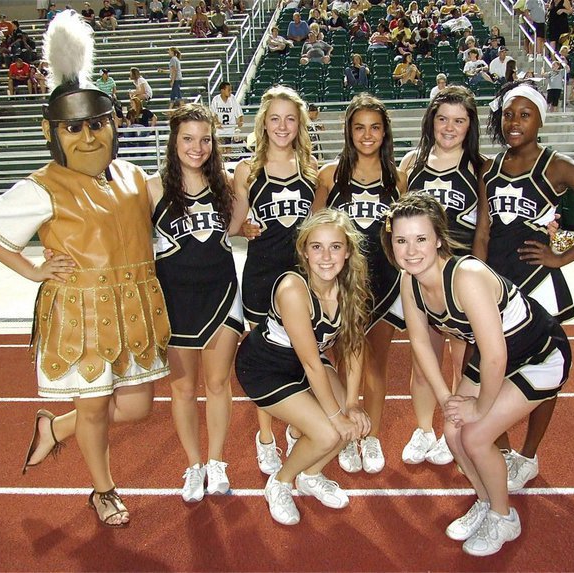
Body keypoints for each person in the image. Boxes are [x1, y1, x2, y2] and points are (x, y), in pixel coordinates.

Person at [0, 11, 170, 528]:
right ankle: (103, 490)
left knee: (138, 407)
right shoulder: (44, 184)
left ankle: (55, 429)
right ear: (52, 131)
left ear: (114, 124)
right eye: (73, 127)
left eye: (97, 124)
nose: (87, 136)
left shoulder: (132, 175)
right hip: (80, 314)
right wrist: (32, 270)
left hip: (134, 308)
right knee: (96, 407)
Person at [380, 192, 572, 556]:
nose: (411, 250)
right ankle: (486, 500)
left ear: (439, 238)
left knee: (477, 436)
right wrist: (446, 400)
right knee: (453, 431)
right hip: (495, 355)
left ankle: (505, 518)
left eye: (421, 239)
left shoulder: (466, 276)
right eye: (401, 241)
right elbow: (420, 343)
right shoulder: (409, 280)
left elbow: (497, 355)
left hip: (539, 354)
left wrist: (480, 408)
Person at [475, 81, 574, 490]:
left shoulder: (556, 166)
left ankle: (528, 456)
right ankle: (503, 452)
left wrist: (561, 257)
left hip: (536, 285)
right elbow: (483, 231)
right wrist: (473, 277)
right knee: (491, 369)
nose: (514, 122)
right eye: (509, 114)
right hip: (495, 284)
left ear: (540, 120)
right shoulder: (488, 168)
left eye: (525, 115)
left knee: (544, 371)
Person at [236, 209, 371, 525]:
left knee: (348, 423)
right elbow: (311, 363)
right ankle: (280, 483)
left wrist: (352, 403)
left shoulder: (351, 286)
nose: (326, 257)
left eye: (335, 247)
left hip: (304, 363)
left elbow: (354, 346)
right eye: (317, 247)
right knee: (328, 432)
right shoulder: (293, 289)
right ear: (304, 251)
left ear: (347, 251)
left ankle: (310, 475)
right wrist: (337, 417)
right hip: (265, 367)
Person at [148, 104, 247, 502]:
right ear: (173, 141)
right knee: (184, 388)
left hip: (222, 293)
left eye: (205, 139)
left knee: (219, 383)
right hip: (175, 299)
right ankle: (193, 465)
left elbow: (236, 228)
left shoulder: (225, 184)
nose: (197, 147)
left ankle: (217, 460)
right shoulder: (152, 188)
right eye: (188, 138)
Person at [314, 94, 408, 474]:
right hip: (342, 285)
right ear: (348, 132)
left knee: (376, 367)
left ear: (385, 132)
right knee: (343, 363)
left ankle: (373, 436)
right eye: (359, 128)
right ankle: (348, 433)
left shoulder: (397, 179)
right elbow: (314, 231)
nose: (367, 135)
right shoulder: (330, 175)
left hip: (384, 284)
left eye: (375, 127)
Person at [233, 86, 317, 475]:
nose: (282, 126)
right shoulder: (247, 170)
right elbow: (234, 225)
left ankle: (297, 428)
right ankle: (266, 437)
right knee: (265, 359)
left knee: (301, 354)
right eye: (275, 118)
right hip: (261, 275)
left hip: (301, 279)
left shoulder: (312, 168)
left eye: (290, 119)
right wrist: (243, 228)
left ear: (299, 124)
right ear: (263, 124)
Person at [397, 86, 484, 466]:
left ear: (470, 126)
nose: (449, 127)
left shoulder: (480, 167)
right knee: (423, 362)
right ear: (431, 120)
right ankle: (423, 430)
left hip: (462, 282)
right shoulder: (412, 162)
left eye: (459, 121)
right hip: (422, 279)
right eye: (443, 118)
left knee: (464, 363)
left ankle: (456, 430)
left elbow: (490, 225)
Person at [210, 81, 243, 155]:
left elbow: (238, 110)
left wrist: (240, 120)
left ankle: (227, 160)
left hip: (229, 129)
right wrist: (217, 122)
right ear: (222, 90)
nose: (230, 92)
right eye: (229, 90)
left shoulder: (232, 98)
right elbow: (213, 113)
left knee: (228, 148)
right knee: (220, 148)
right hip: (220, 130)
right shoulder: (216, 99)